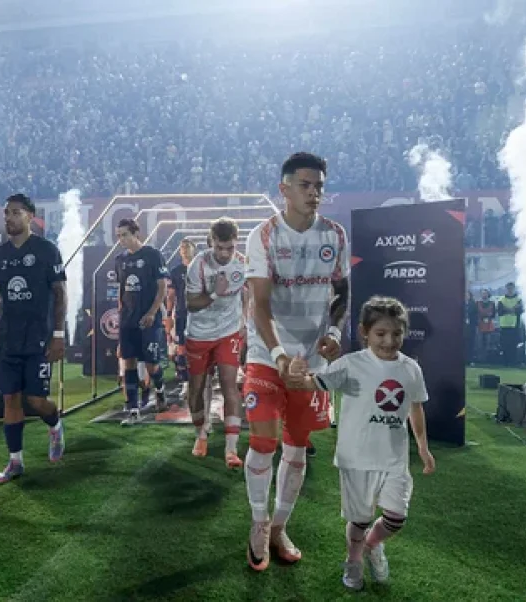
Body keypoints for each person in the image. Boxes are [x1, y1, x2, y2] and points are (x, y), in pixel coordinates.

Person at [242, 151, 350, 571]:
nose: (314, 193)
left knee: (297, 446)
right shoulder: (264, 236)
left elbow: (342, 294)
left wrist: (334, 334)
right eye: (305, 185)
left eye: (319, 186)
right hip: (267, 355)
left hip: (311, 363)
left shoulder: (335, 235)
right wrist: (278, 354)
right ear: (283, 189)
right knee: (263, 442)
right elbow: (260, 305)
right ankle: (258, 523)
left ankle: (279, 527)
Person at [303, 296, 435, 591]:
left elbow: (415, 408)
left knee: (397, 517)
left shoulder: (411, 369)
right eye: (381, 333)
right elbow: (313, 382)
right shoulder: (351, 364)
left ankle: (372, 545)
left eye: (397, 333)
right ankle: (353, 560)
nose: (389, 341)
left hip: (394, 458)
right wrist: (295, 373)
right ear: (364, 332)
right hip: (356, 458)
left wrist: (423, 448)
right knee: (360, 520)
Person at [0, 193, 67, 484]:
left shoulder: (46, 250)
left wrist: (58, 335)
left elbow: (60, 294)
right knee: (10, 399)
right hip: (9, 341)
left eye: (15, 212)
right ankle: (15, 462)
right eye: (6, 213)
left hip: (39, 339)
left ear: (30, 216)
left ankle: (55, 425)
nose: (9, 218)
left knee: (36, 401)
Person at [184, 218, 248, 468]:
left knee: (230, 384)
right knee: (196, 388)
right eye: (220, 248)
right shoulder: (198, 264)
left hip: (228, 331)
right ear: (211, 242)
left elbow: (248, 292)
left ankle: (231, 449)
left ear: (236, 243)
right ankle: (201, 434)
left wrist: (245, 321)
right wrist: (214, 294)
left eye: (230, 248)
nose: (224, 253)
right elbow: (191, 304)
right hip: (199, 333)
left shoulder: (242, 263)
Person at [114, 217, 170, 425]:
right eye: (118, 236)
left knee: (151, 365)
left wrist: (152, 313)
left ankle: (160, 390)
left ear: (136, 234)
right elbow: (121, 290)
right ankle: (133, 410)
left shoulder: (152, 255)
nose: (121, 240)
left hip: (149, 319)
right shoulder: (119, 260)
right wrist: (120, 314)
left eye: (125, 235)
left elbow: (162, 287)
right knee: (128, 362)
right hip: (127, 320)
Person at [166, 239, 195, 398]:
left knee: (199, 348)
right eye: (182, 247)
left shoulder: (200, 268)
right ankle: (186, 382)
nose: (184, 250)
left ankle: (200, 380)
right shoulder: (176, 271)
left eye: (187, 247)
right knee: (181, 348)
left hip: (200, 314)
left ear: (194, 250)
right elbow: (171, 295)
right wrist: (168, 315)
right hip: (182, 314)